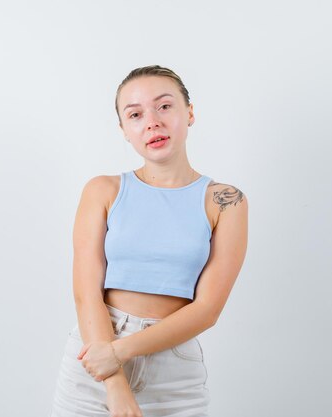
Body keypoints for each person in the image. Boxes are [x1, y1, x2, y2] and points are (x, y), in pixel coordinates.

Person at [49, 64, 248, 417]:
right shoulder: (103, 190)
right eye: (135, 114)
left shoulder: (226, 200)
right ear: (125, 130)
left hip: (173, 370)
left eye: (165, 106)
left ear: (189, 113)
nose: (152, 121)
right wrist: (113, 377)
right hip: (95, 351)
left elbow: (208, 309)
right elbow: (86, 292)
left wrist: (121, 353)